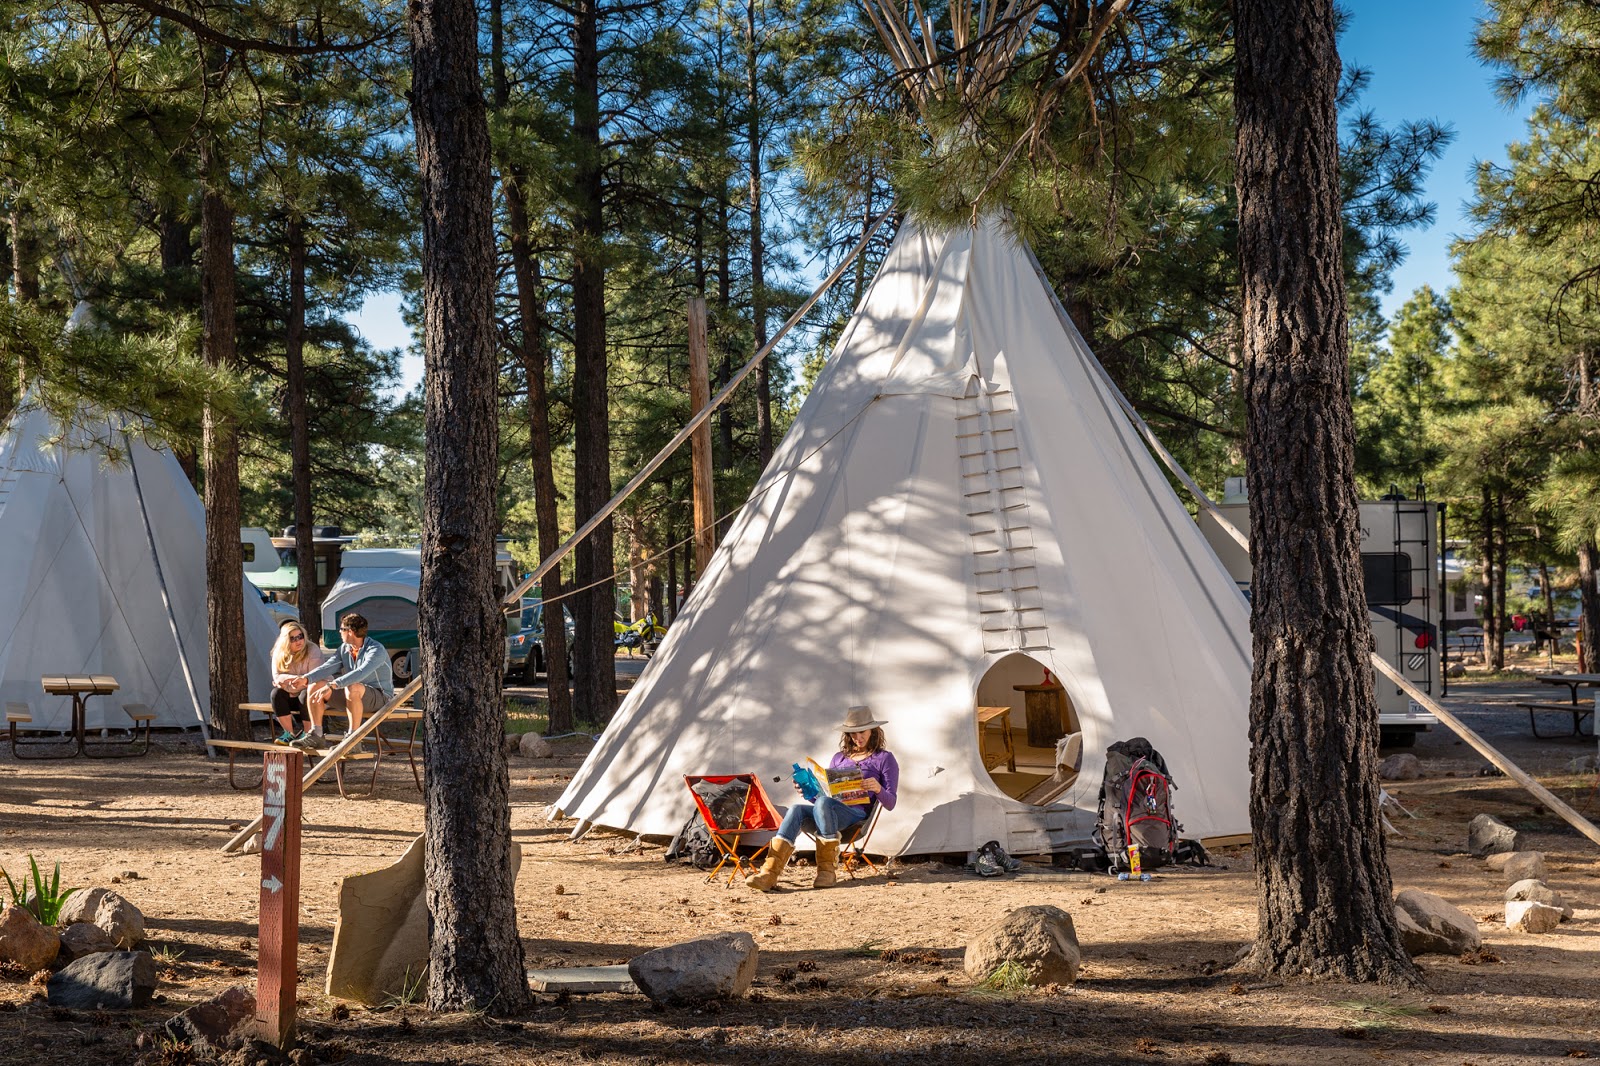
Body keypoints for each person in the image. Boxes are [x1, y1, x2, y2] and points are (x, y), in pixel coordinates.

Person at [746, 706, 899, 892]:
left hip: (856, 816)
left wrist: (878, 788)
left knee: (824, 803)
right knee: (796, 809)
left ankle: (826, 872)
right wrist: (809, 793)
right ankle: (769, 873)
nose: (858, 738)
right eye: (852, 733)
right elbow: (826, 800)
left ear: (873, 731)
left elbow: (890, 803)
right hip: (831, 811)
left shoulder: (884, 758)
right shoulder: (839, 758)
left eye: (862, 732)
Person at [296, 612, 394, 749]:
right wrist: (305, 679)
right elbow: (327, 667)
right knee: (315, 685)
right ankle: (316, 735)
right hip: (353, 695)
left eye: (341, 629)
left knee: (352, 686)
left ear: (350, 632)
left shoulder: (376, 649)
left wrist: (332, 685)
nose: (339, 632)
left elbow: (360, 673)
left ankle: (353, 740)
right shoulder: (345, 649)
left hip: (380, 698)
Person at [268, 621, 327, 744]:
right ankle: (289, 733)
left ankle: (308, 733)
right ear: (285, 641)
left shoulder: (312, 649)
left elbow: (314, 677)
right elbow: (277, 677)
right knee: (276, 694)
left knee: (306, 694)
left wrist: (289, 681)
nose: (298, 641)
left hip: (313, 695)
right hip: (292, 693)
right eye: (293, 639)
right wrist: (296, 681)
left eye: (300, 636)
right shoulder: (279, 653)